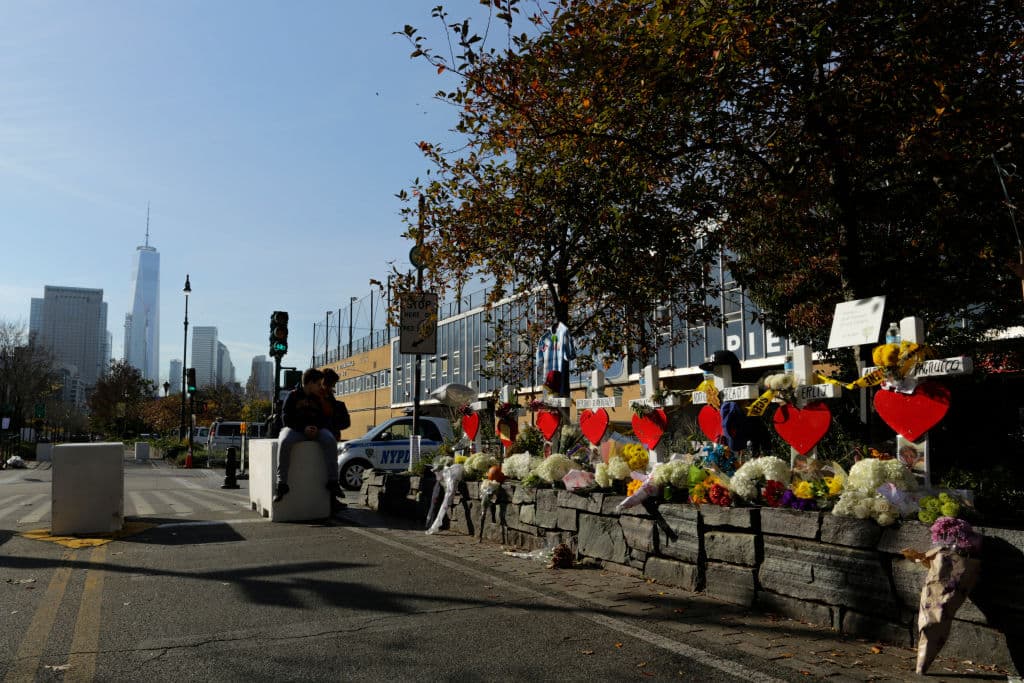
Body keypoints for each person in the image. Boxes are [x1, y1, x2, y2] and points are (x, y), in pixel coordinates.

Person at [273, 368, 343, 510]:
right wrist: (303, 428)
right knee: (285, 441)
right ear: (310, 383)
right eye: (318, 384)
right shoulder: (293, 395)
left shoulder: (318, 398)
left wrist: (316, 427)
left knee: (330, 439)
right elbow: (286, 418)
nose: (320, 387)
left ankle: (333, 481)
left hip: (315, 430)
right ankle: (281, 484)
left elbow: (325, 419)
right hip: (297, 429)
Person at [318, 368, 351, 505]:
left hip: (331, 436)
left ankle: (332, 500)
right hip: (326, 437)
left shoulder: (328, 396)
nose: (333, 387)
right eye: (332, 384)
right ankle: (331, 500)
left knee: (329, 468)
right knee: (327, 469)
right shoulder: (321, 396)